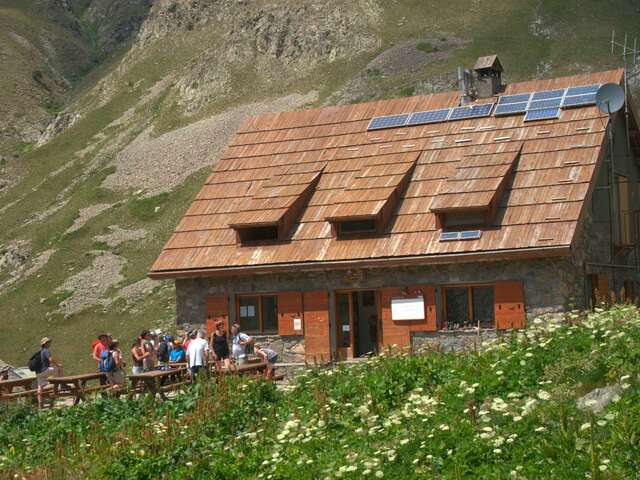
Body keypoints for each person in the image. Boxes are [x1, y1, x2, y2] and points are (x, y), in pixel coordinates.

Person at [36, 337, 63, 409]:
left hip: (38, 372)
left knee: (40, 386)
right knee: (60, 368)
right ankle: (62, 384)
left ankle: (40, 404)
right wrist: (57, 365)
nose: (50, 343)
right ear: (45, 344)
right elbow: (50, 359)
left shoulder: (39, 352)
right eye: (48, 342)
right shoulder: (46, 350)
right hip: (45, 370)